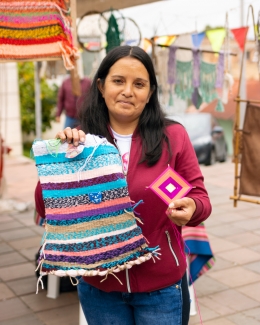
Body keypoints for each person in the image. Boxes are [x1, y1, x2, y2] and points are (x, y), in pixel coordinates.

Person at [35, 45, 212, 325]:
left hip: (162, 287)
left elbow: (201, 199)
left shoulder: (173, 136)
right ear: (101, 87)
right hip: (99, 285)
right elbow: (45, 207)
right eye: (118, 81)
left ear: (150, 92)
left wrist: (192, 207)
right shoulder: (81, 142)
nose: (128, 91)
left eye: (139, 84)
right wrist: (61, 161)